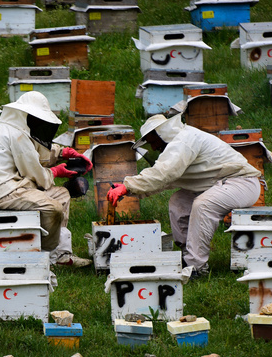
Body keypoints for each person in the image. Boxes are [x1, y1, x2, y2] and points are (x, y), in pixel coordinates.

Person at [107, 114, 261, 278]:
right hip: (216, 184)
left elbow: (163, 174)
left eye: (152, 141)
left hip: (241, 183)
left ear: (162, 134)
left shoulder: (185, 141)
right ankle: (187, 256)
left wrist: (128, 185)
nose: (152, 146)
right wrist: (127, 188)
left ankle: (197, 267)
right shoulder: (179, 143)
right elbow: (165, 180)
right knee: (178, 201)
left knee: (203, 205)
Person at [0, 91, 93, 267]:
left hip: (17, 186)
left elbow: (35, 149)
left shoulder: (18, 130)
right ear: (27, 115)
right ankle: (43, 257)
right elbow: (34, 171)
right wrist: (56, 172)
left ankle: (60, 255)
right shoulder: (15, 134)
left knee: (62, 195)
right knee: (52, 207)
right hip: (4, 192)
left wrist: (63, 152)